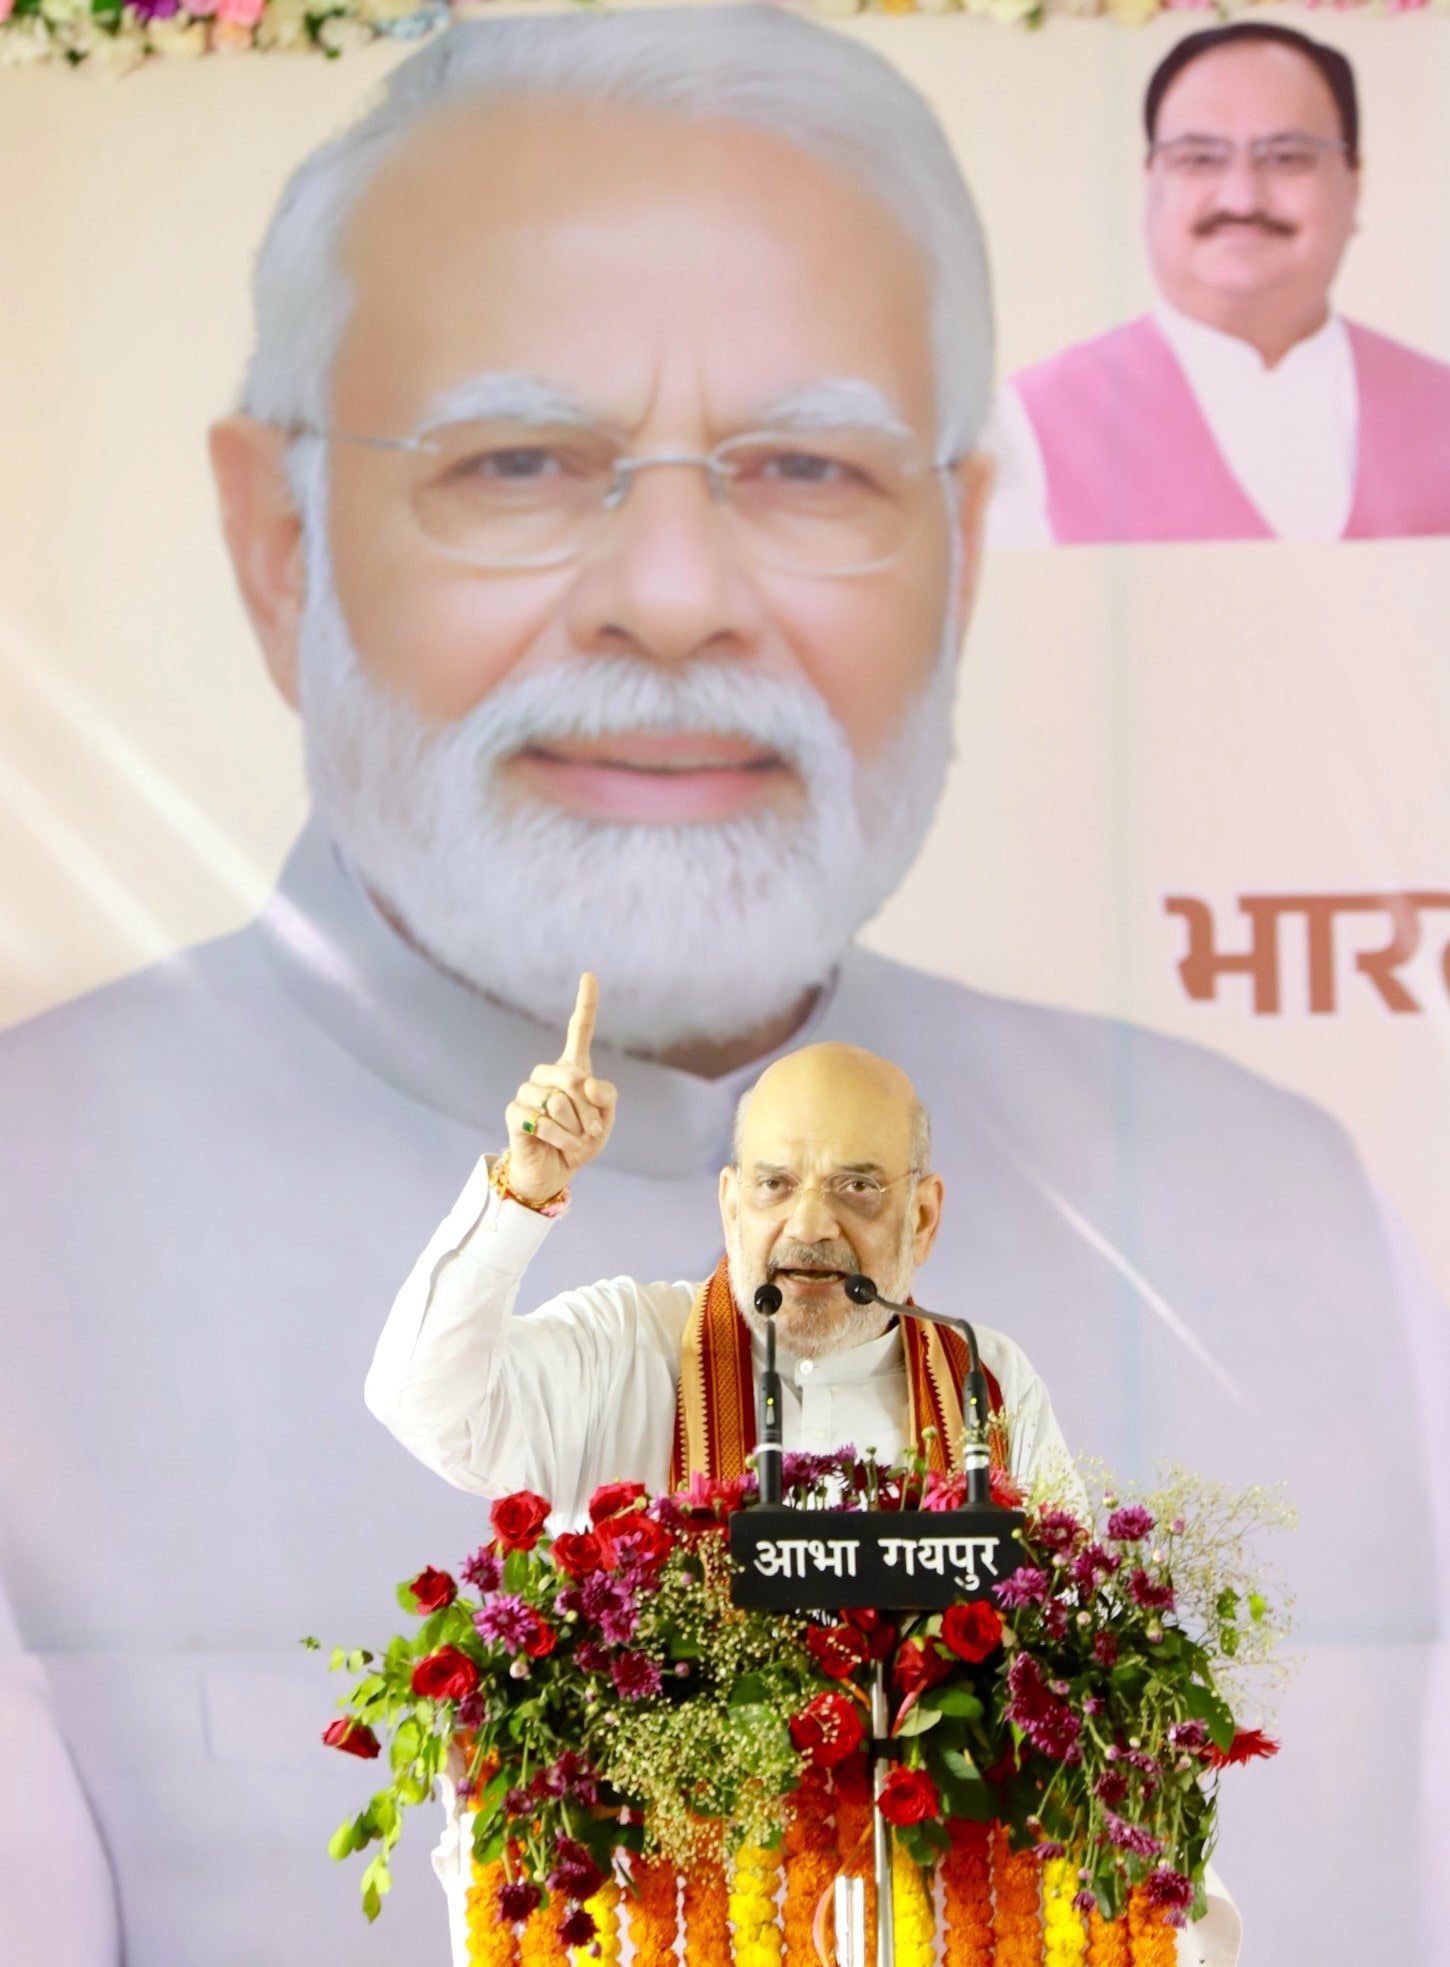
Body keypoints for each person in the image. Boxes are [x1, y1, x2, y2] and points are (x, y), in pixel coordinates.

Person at [0, 11, 1437, 1965]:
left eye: (806, 464)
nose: (672, 591)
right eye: (517, 459)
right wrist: (518, 1191)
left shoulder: (1260, 1216)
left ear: (959, 551)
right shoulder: (43, 1216)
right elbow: (438, 1401)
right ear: (279, 541)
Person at [366, 979, 1240, 1967]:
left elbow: (1078, 1668)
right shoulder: (627, 1345)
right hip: (663, 1926)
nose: (810, 1224)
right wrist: (521, 1187)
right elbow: (422, 1399)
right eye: (776, 1184)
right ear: (731, 1204)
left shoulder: (980, 1379)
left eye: (858, 1185)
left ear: (924, 1213)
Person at [988, 23, 1450, 544]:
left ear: (1353, 182)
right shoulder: (1024, 429)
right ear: (1151, 185)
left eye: (1286, 157)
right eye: (1199, 159)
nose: (1242, 198)